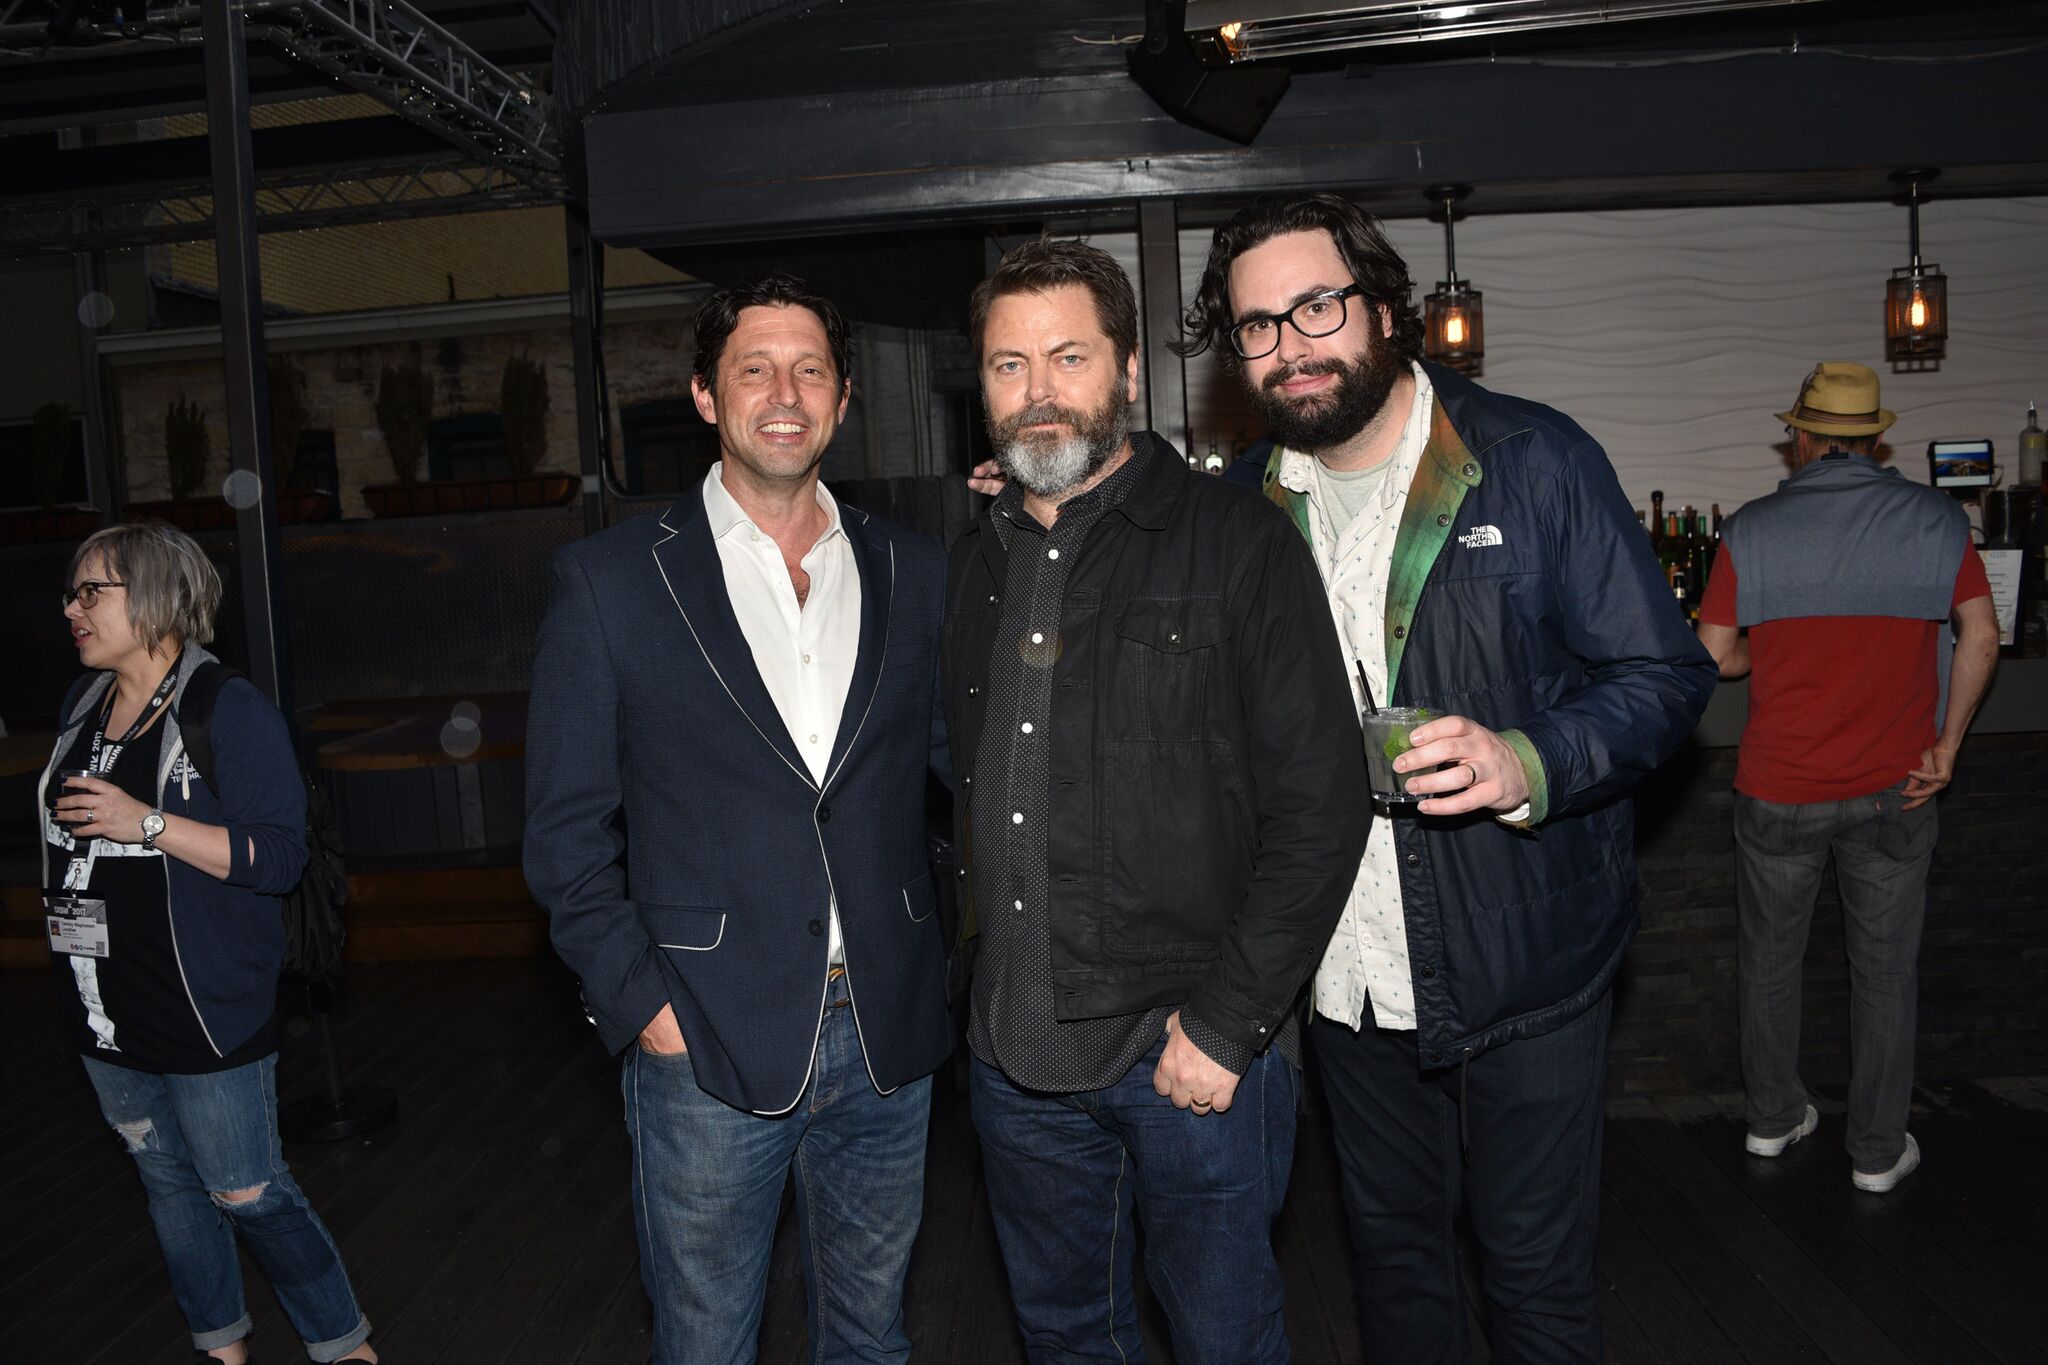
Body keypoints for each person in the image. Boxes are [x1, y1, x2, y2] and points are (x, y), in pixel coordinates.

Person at [1182, 193, 1717, 1363]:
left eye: (1315, 308)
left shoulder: (1531, 461)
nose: (1288, 345)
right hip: (1341, 974)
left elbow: (1664, 675)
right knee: (1393, 1270)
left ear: (1383, 309)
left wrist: (1525, 757)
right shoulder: (1239, 509)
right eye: (1256, 326)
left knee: (1532, 1282)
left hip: (1523, 960)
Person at [942, 237, 1370, 1364]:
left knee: (1224, 1340)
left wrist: (1228, 1024)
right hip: (1013, 1060)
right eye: (1009, 365)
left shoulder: (1237, 542)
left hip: (1187, 1059)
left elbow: (1322, 806)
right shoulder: (975, 562)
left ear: (1129, 371)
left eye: (1069, 357)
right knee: (1064, 1338)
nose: (1038, 391)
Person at [523, 272, 952, 1365]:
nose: (784, 394)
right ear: (706, 396)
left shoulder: (914, 569)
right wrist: (645, 1008)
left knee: (873, 1338)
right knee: (707, 1344)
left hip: (888, 1029)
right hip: (704, 1038)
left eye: (810, 370)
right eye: (754, 369)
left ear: (843, 398)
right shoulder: (611, 582)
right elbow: (565, 836)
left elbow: (971, 770)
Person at [44, 522, 376, 1365]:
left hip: (204, 1005)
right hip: (104, 1007)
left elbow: (279, 858)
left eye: (92, 592)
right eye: (72, 593)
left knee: (246, 1189)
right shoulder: (82, 706)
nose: (72, 609)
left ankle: (345, 1349)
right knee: (167, 1183)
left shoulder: (228, 708)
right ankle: (220, 1349)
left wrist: (147, 823)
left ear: (155, 597)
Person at [1695, 361, 1997, 1194]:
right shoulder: (1936, 519)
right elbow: (1981, 634)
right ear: (1873, 440)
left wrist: (1765, 655)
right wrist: (1949, 745)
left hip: (1778, 787)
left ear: (1801, 437)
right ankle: (1875, 1152)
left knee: (1768, 964)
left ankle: (1771, 1119)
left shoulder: (1751, 529)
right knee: (1886, 973)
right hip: (1895, 787)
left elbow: (1712, 656)